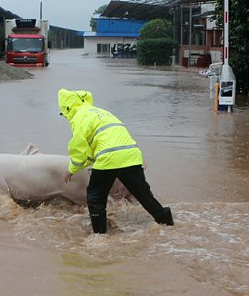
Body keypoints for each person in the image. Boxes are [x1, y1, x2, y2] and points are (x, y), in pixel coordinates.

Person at [58, 88, 173, 234]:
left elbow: (78, 150)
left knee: (95, 197)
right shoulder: (101, 113)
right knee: (143, 195)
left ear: (67, 108)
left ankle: (99, 235)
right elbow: (98, 149)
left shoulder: (79, 117)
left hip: (109, 159)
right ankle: (167, 221)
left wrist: (72, 169)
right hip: (131, 155)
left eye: (63, 114)